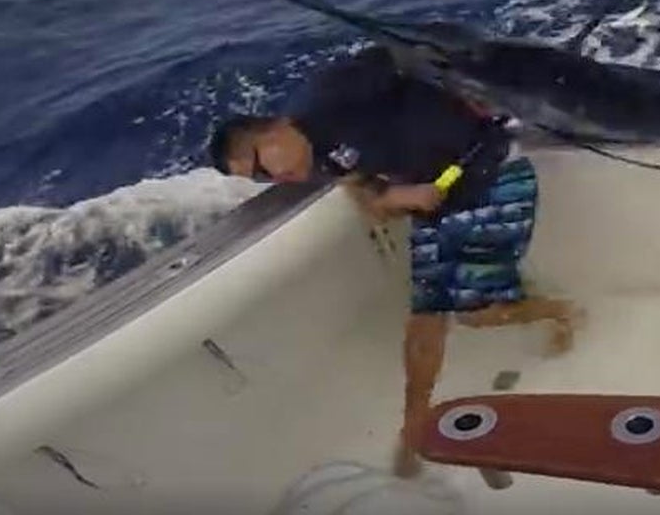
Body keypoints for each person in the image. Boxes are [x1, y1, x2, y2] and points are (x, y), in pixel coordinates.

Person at [207, 45, 577, 478]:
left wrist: (474, 89)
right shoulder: (310, 161)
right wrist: (395, 196)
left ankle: (564, 311)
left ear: (276, 128)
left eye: (262, 163)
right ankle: (413, 429)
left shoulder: (331, 96)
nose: (272, 178)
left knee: (479, 315)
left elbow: (404, 54)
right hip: (437, 201)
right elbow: (360, 183)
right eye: (258, 178)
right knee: (425, 320)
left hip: (494, 171)